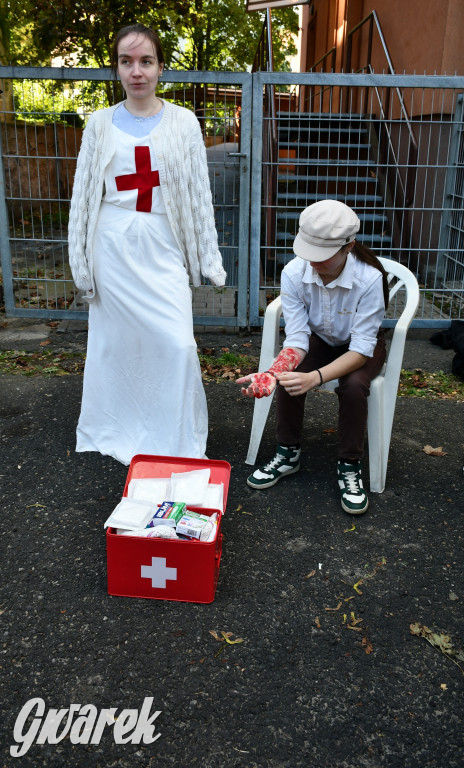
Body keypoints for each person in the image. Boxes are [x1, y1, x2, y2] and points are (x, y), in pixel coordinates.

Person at [68, 23, 226, 465]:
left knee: (176, 343)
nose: (136, 71)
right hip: (113, 248)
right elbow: (83, 196)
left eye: (146, 61)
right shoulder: (100, 124)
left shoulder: (183, 123)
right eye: (126, 61)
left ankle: (172, 435)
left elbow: (198, 194)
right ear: (116, 68)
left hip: (162, 245)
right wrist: (80, 262)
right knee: (115, 345)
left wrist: (208, 258)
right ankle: (117, 427)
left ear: (160, 67)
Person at [237, 199, 388, 514]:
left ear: (349, 246)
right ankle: (287, 453)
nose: (313, 262)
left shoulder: (370, 278)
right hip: (318, 340)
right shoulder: (294, 272)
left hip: (362, 346)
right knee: (290, 375)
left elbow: (361, 349)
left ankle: (349, 465)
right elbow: (296, 339)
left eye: (323, 256)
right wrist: (272, 373)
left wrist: (316, 378)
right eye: (308, 253)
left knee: (353, 386)